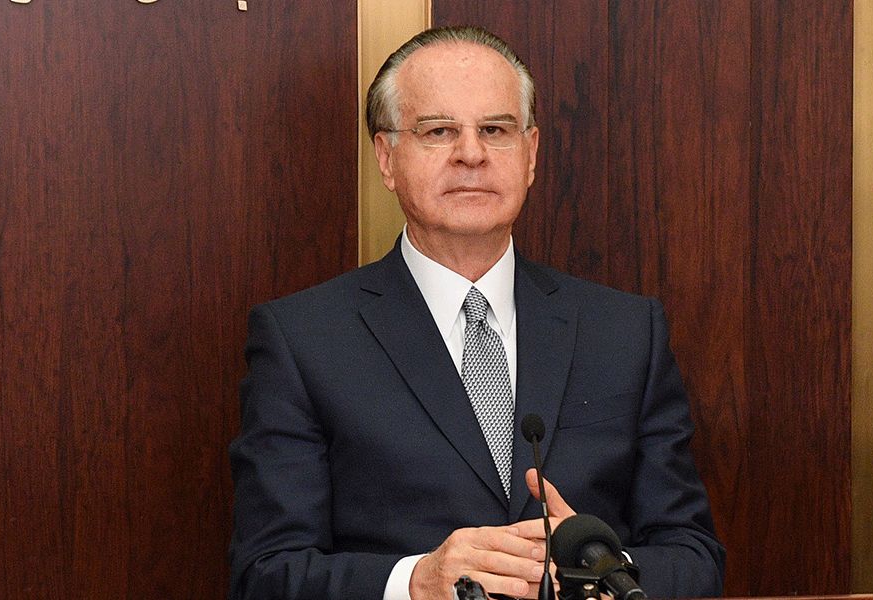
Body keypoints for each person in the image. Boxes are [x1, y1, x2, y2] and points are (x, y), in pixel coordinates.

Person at [229, 25, 725, 600]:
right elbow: (265, 574)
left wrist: (600, 573)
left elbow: (695, 558)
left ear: (530, 154)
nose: (472, 153)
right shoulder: (302, 339)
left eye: (495, 130)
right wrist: (416, 582)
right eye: (439, 131)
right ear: (386, 158)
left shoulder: (625, 333)